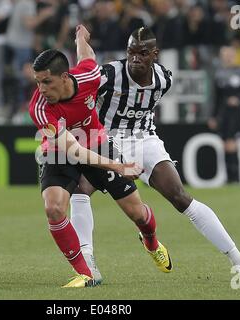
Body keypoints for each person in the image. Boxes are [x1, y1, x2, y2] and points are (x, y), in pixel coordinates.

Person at [70, 27, 240, 283]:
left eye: (142, 53)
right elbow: (87, 66)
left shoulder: (164, 79)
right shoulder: (110, 74)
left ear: (155, 54)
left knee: (181, 197)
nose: (135, 58)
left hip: (144, 139)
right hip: (108, 139)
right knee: (80, 190)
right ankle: (89, 265)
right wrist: (80, 41)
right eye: (131, 52)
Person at [28, 24, 172, 288]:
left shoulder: (89, 77)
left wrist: (80, 37)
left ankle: (151, 242)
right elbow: (73, 150)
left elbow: (86, 57)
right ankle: (86, 273)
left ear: (64, 77)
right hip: (61, 152)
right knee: (54, 208)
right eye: (37, 81)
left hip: (96, 143)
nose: (41, 89)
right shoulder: (39, 108)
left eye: (46, 81)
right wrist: (118, 166)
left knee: (138, 214)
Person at [208, 46, 240, 183]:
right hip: (223, 114)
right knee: (225, 144)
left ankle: (235, 177)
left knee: (232, 143)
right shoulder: (218, 74)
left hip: (236, 113)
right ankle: (230, 177)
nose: (228, 57)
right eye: (225, 55)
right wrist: (213, 116)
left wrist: (238, 98)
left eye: (230, 54)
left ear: (234, 55)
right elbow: (216, 98)